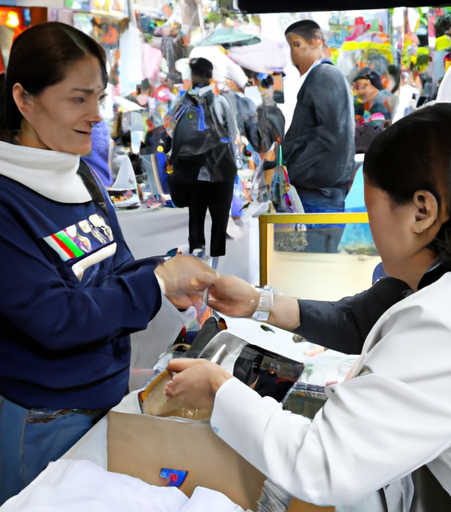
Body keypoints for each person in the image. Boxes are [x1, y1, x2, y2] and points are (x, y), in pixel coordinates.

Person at [0, 23, 218, 511]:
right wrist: (158, 282)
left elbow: (113, 266)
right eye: (78, 99)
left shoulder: (77, 175)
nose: (96, 116)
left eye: (97, 98)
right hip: (41, 417)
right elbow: (55, 319)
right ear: (24, 99)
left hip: (106, 397)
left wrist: (168, 273)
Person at [165, 104, 451, 511]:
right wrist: (257, 303)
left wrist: (219, 389)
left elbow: (322, 464)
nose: (370, 229)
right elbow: (354, 319)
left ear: (422, 211)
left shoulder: (438, 323)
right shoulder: (422, 284)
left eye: (371, 211)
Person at [282, 20, 355, 252]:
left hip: (317, 198)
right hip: (319, 195)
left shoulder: (324, 75)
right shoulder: (325, 76)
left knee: (307, 269)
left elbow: (330, 140)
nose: (293, 55)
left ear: (316, 42)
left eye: (297, 44)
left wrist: (291, 171)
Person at [168, 57, 238, 260]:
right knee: (219, 219)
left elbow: (173, 134)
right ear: (210, 76)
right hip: (222, 169)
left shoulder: (182, 103)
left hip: (195, 172)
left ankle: (197, 257)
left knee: (196, 218)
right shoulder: (222, 101)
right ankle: (217, 261)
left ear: (194, 75)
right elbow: (232, 136)